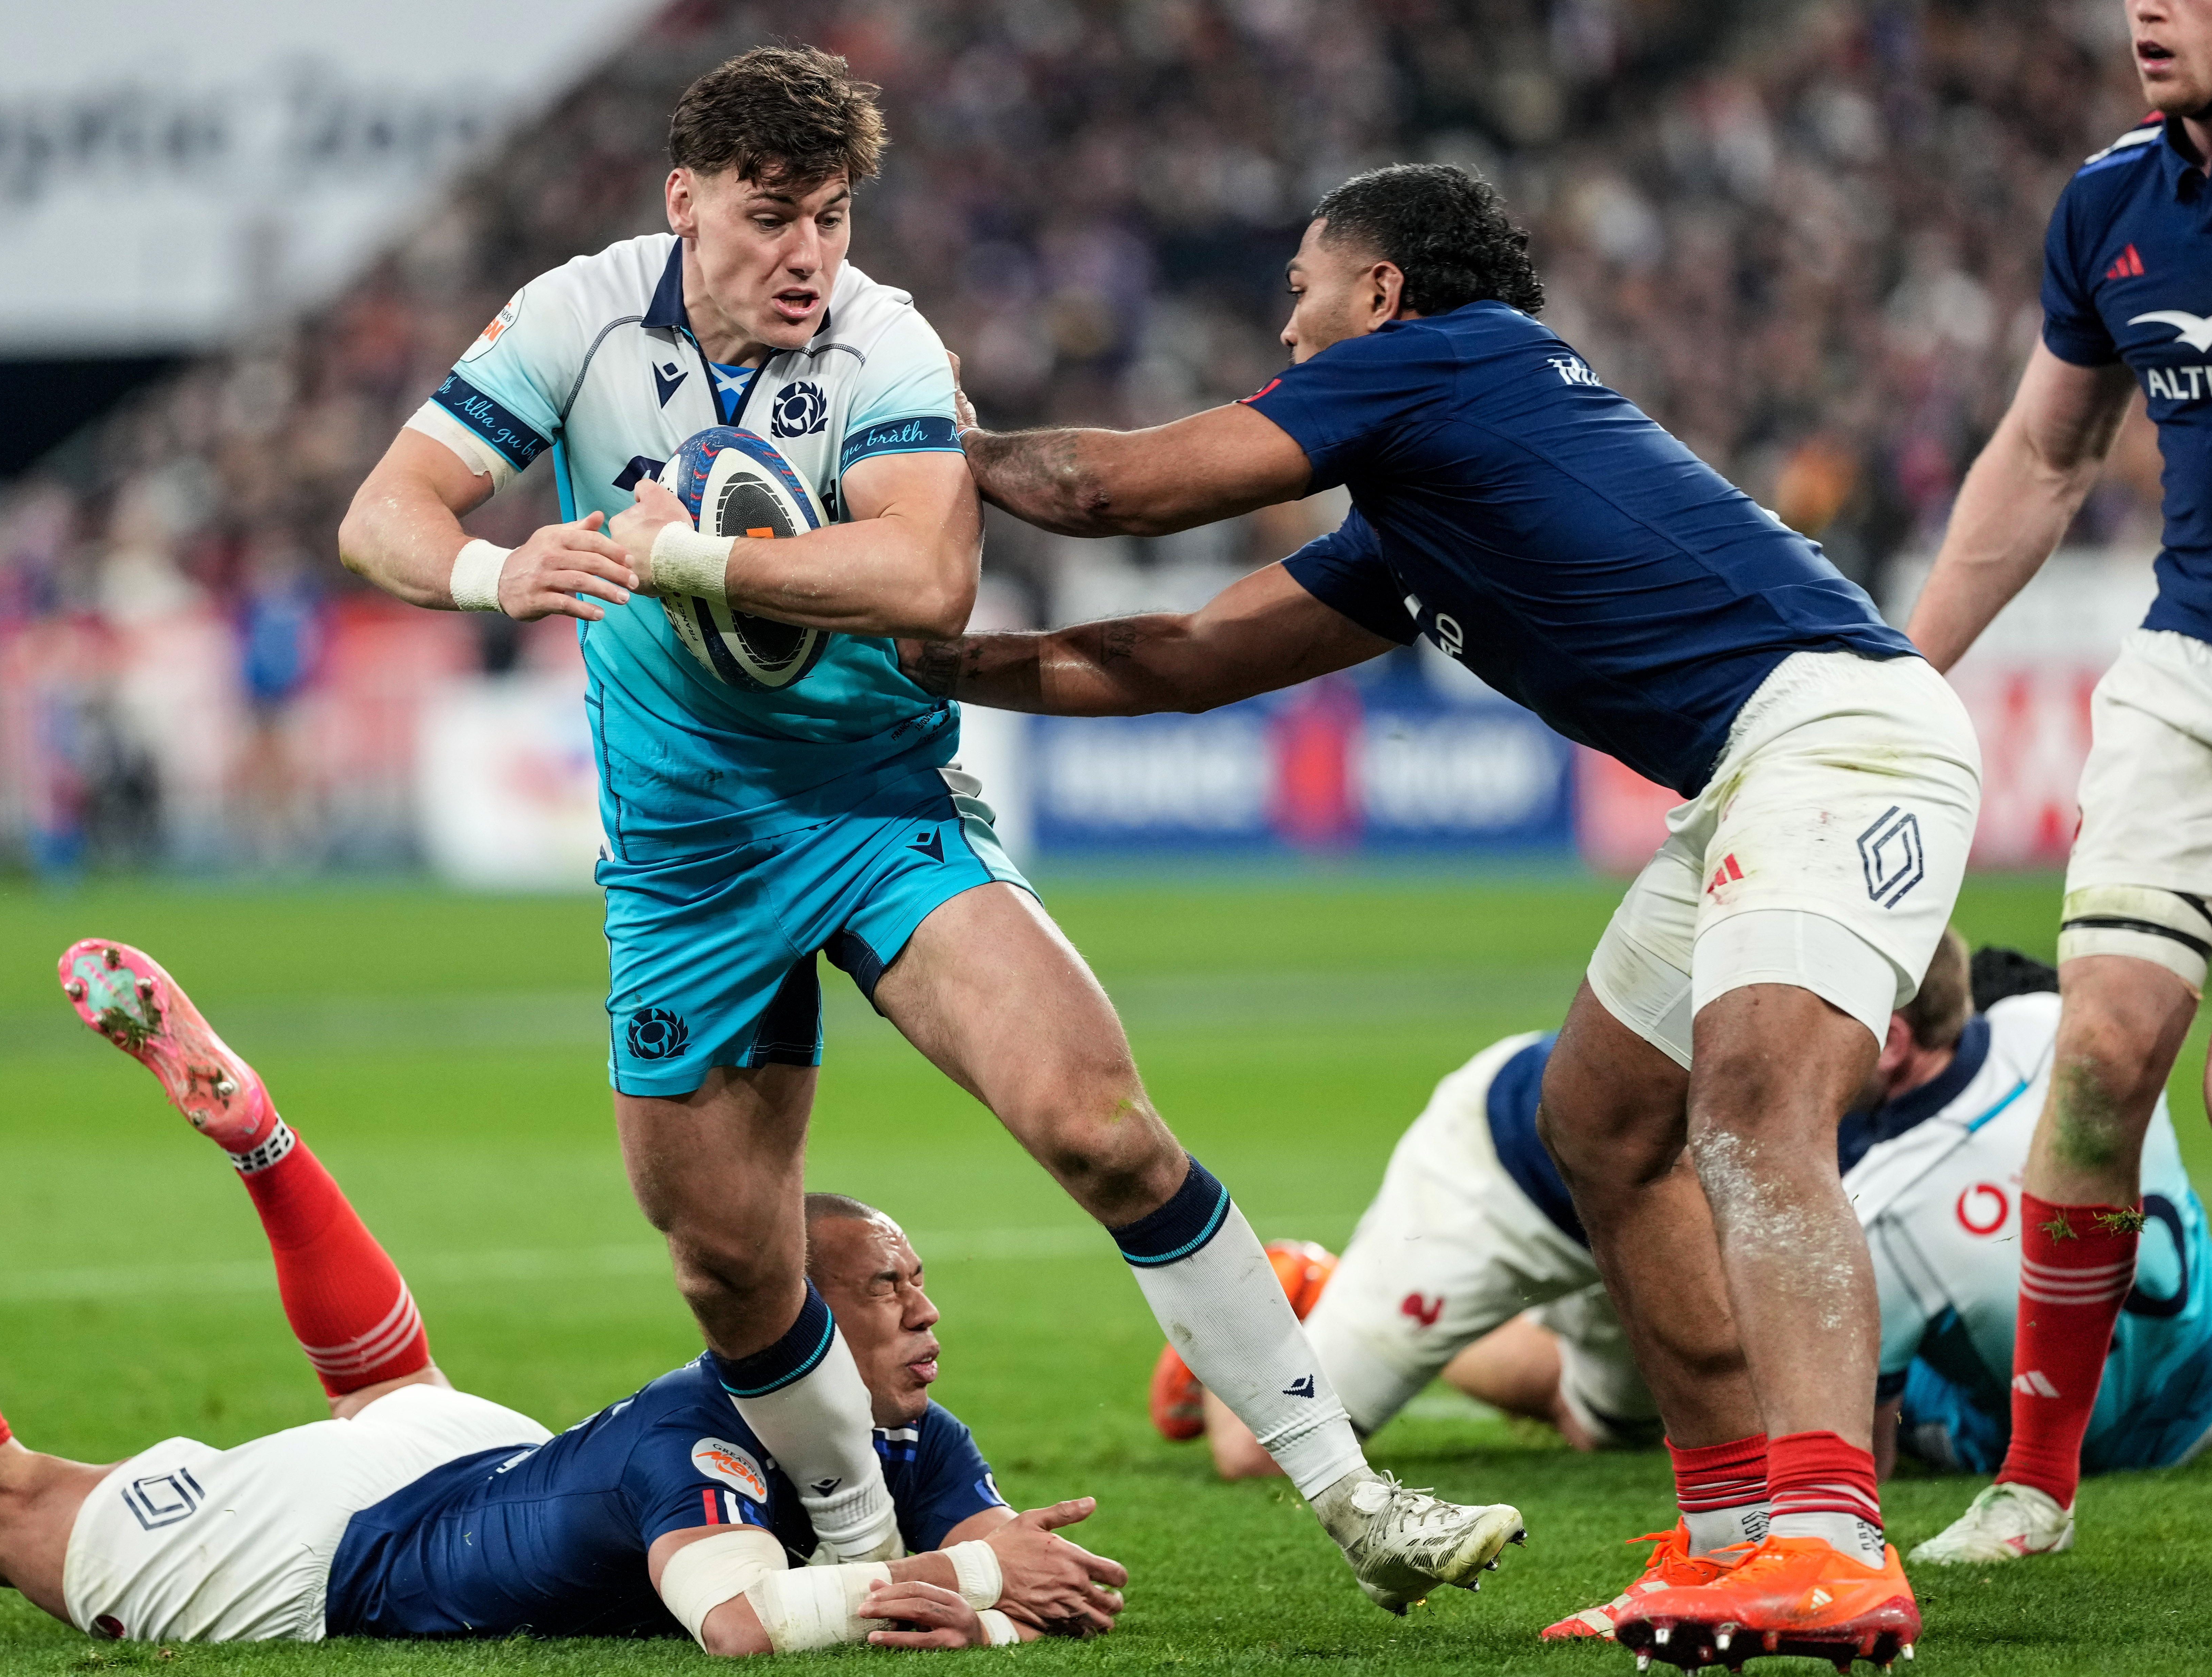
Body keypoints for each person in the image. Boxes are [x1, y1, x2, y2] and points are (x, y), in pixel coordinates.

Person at [334, 45, 1518, 1609]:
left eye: (829, 217)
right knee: (729, 1264)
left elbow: (922, 583)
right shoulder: (578, 314)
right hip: (685, 860)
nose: (806, 256)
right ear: (684, 204)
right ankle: (854, 1551)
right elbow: (385, 513)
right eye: (769, 219)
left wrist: (685, 558)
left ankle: (1353, 1497)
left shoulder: (884, 343)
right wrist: (502, 572)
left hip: (875, 802)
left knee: (1096, 1120)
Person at [903, 161, 1983, 1667]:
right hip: (1748, 771)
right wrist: (921, 663)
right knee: (1601, 1124)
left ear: (1383, 295)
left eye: (1302, 287)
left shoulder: (1449, 361)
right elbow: (1177, 659)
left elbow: (1105, 490)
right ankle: (1738, 1538)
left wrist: (905, 450)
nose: (1285, 326)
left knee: (1748, 1115)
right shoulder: (1429, 494)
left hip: (1836, 738)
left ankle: (1831, 1545)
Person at [0, 938, 1131, 1652]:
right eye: (891, 1287)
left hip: (468, 1449)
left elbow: (963, 1528)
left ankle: (265, 1140)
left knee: (391, 1384)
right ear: (801, 1305)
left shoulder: (903, 1426)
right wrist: (975, 1592)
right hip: (343, 1546)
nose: (926, 1316)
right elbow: (738, 1625)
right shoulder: (704, 1445)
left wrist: (992, 1553)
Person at [1154, 938, 2212, 1634]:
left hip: (1666, 1214)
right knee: (1251, 1450)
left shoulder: (1880, 1134)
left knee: (1601, 1417)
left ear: (1892, 1040)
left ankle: (1468, 1326)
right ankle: (1312, 1286)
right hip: (1512, 1178)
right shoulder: (1987, 1034)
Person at [1896, 0, 2212, 1567]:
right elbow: (2040, 457)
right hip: (2184, 669)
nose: (2148, 13)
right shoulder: (2110, 204)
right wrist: (1888, 672)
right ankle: (2032, 1483)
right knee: (2096, 1060)